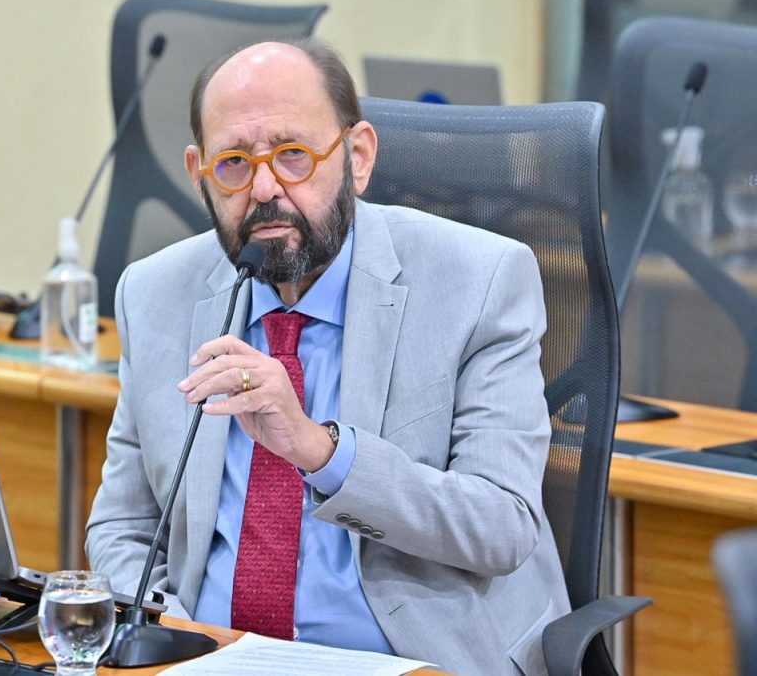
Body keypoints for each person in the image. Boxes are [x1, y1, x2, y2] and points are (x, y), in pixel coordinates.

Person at [86, 38, 569, 676]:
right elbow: (122, 527)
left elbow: (501, 527)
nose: (264, 189)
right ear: (199, 172)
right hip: (212, 655)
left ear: (357, 157)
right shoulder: (154, 293)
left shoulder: (479, 279)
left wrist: (320, 451)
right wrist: (178, 637)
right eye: (233, 162)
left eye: (292, 154)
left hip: (408, 657)